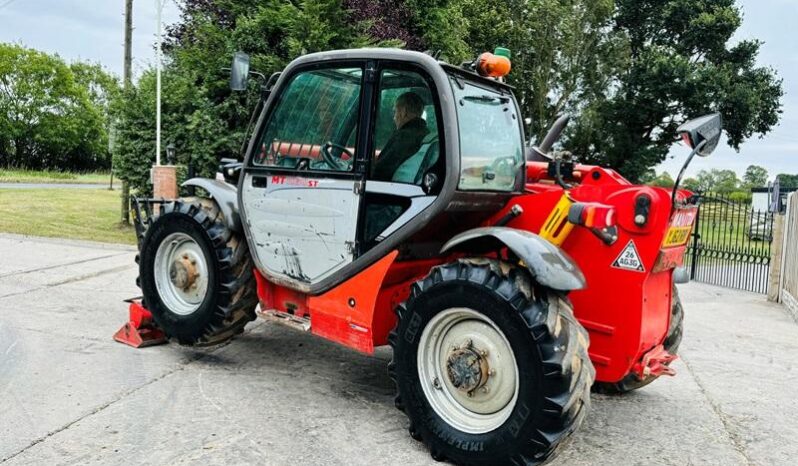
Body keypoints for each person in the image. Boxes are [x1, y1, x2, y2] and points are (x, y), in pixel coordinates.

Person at [371, 92, 429, 181]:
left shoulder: (403, 137)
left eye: (395, 111)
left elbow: (380, 171)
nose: (394, 118)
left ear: (403, 112)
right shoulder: (425, 135)